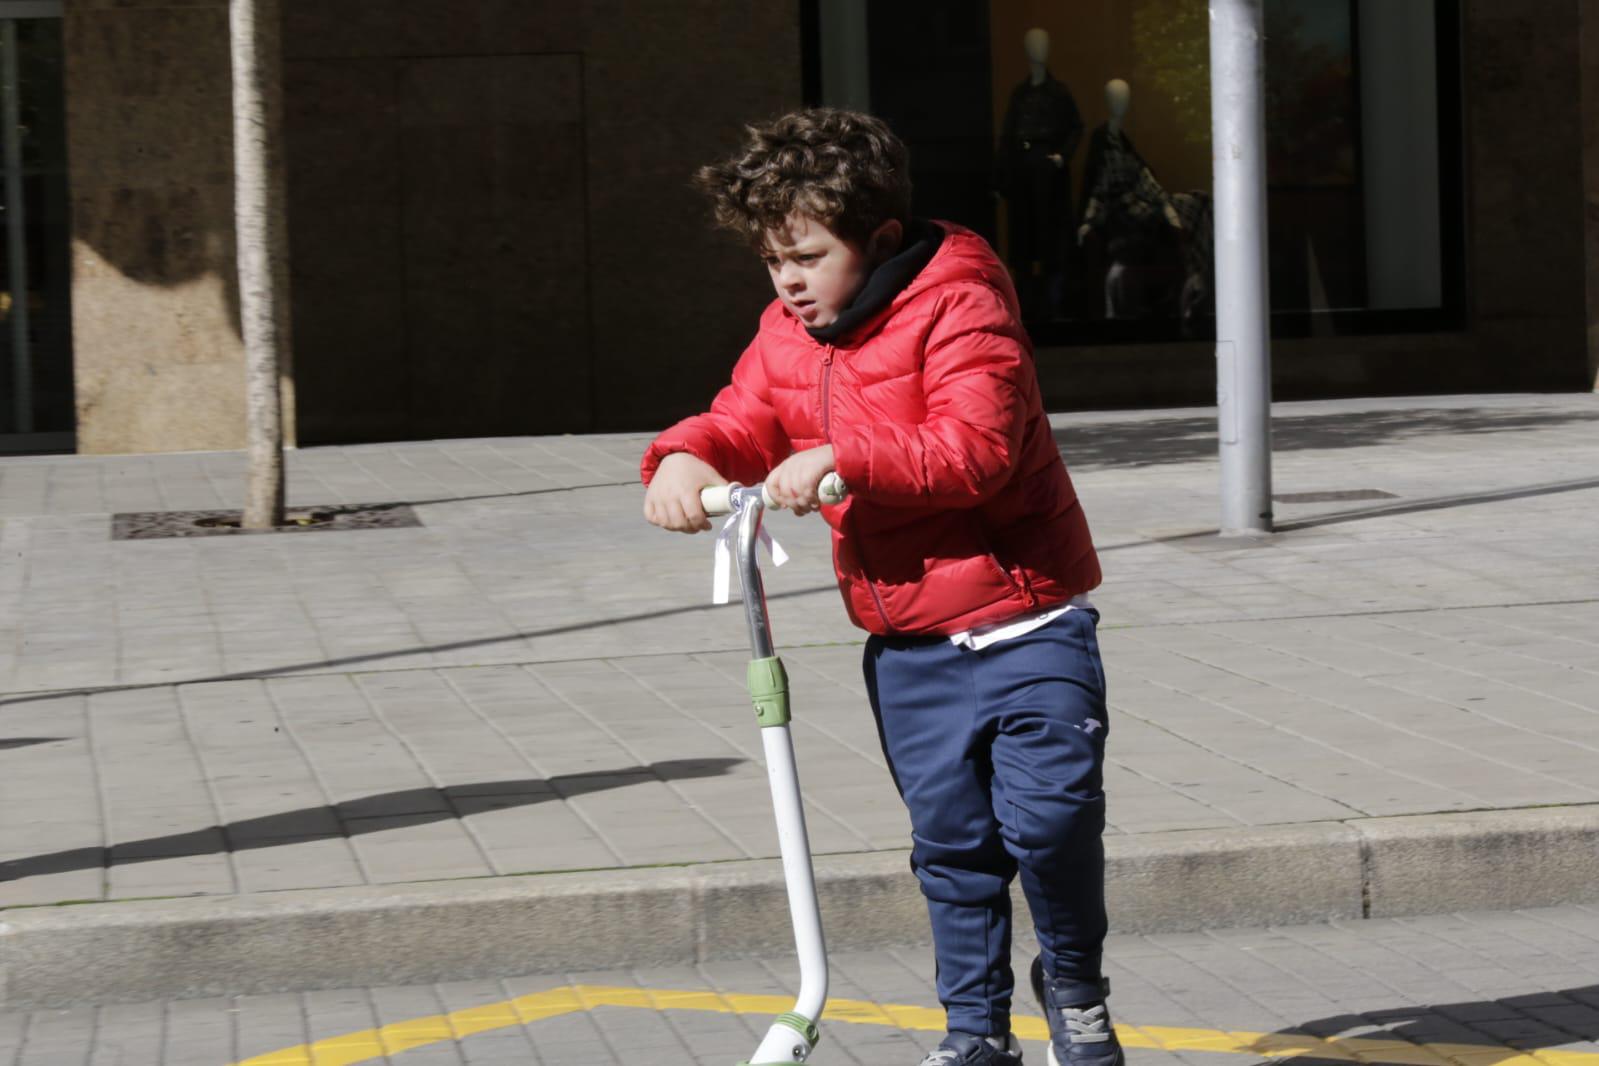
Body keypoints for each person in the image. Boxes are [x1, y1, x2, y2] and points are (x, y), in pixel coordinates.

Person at [641, 108, 1119, 1066]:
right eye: (773, 259)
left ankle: (1071, 978)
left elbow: (974, 450)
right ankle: (974, 1032)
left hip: (1026, 618)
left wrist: (839, 454)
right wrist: (686, 455)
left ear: (881, 240)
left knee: (1050, 825)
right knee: (952, 848)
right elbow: (743, 415)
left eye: (808, 256)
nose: (787, 280)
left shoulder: (962, 304)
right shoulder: (786, 335)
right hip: (910, 646)